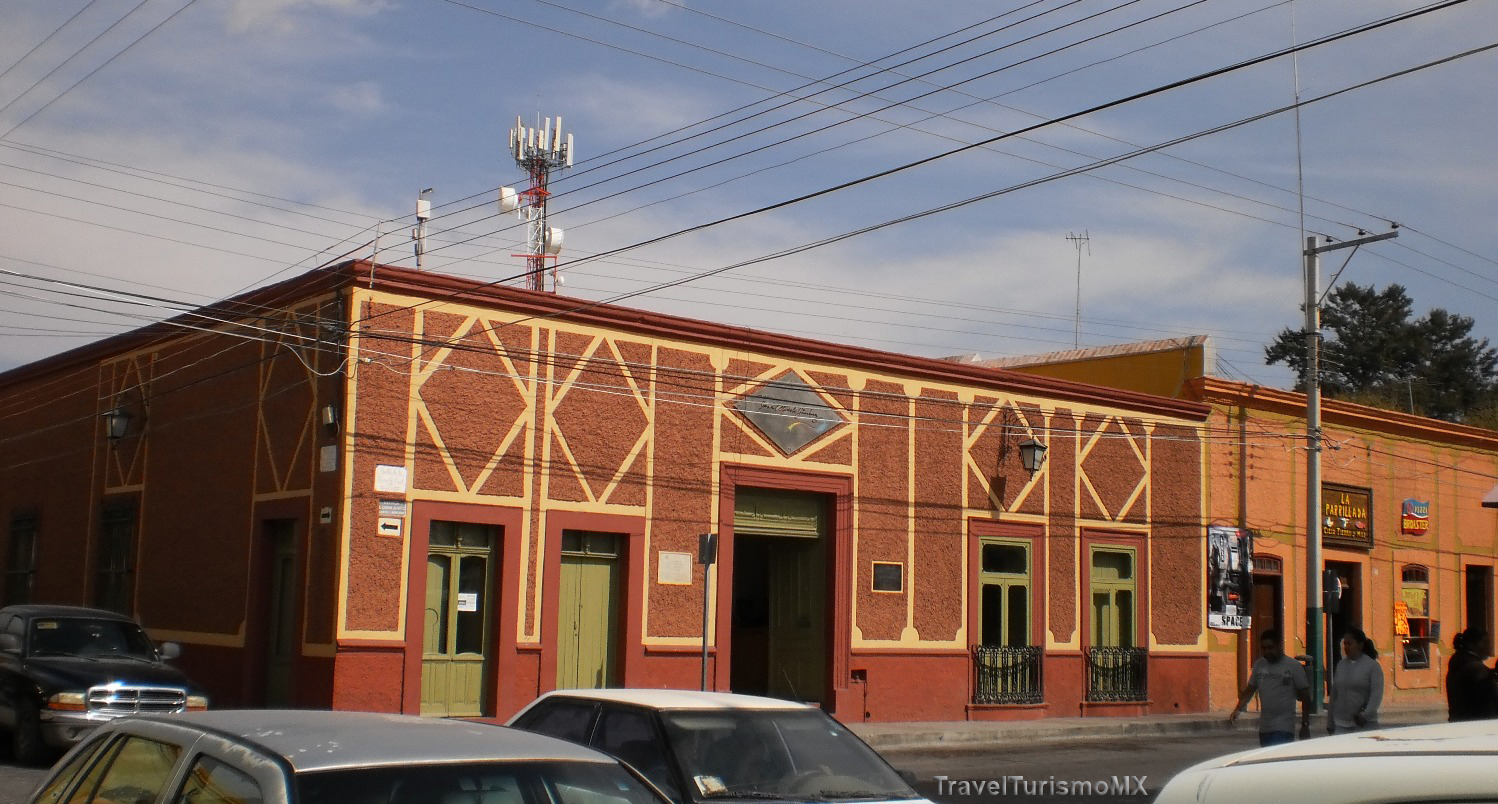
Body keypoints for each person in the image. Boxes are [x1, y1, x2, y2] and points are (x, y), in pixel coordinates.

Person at [1229, 629, 1312, 745]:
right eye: (1263, 648)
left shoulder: (1293, 666)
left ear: (1279, 645)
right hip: (1265, 727)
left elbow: (1305, 696)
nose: (1267, 651)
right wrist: (1238, 709)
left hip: (1284, 727)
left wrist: (1305, 724)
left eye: (1270, 647)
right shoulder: (1259, 665)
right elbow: (1250, 689)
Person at [1328, 627, 1383, 734]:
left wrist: (1366, 715)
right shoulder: (1341, 665)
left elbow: (1376, 695)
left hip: (1363, 725)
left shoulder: (1372, 666)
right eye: (1345, 644)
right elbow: (1334, 694)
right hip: (1341, 724)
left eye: (1350, 644)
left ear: (1360, 645)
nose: (1346, 647)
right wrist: (1330, 722)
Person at [1446, 628, 1498, 721]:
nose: (1489, 647)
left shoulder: (1460, 662)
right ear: (1471, 645)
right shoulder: (1475, 669)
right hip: (1476, 725)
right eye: (1485, 643)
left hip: (1461, 723)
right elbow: (1490, 700)